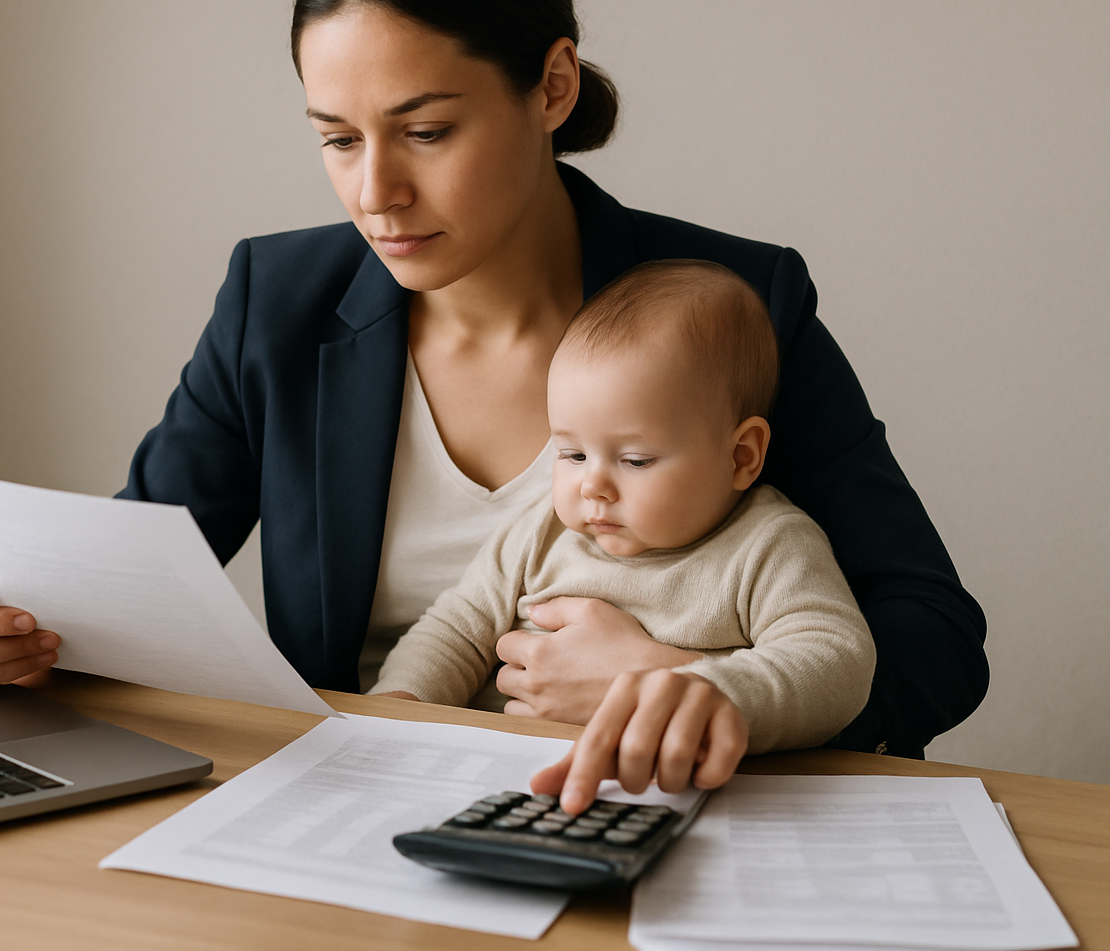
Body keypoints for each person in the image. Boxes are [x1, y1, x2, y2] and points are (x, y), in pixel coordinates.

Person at [0, 0, 986, 790]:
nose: (374, 191)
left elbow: (936, 641)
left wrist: (692, 682)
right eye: (339, 139)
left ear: (552, 86)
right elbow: (130, 590)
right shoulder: (275, 302)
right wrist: (12, 631)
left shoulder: (734, 306)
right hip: (371, 807)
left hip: (672, 819)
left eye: (425, 131)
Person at [372, 260, 877, 805]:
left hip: (671, 796)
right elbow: (455, 629)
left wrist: (709, 690)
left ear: (741, 456)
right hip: (499, 782)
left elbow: (836, 658)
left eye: (635, 460)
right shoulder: (541, 530)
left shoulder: (767, 546)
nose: (593, 485)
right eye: (571, 453)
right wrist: (400, 702)